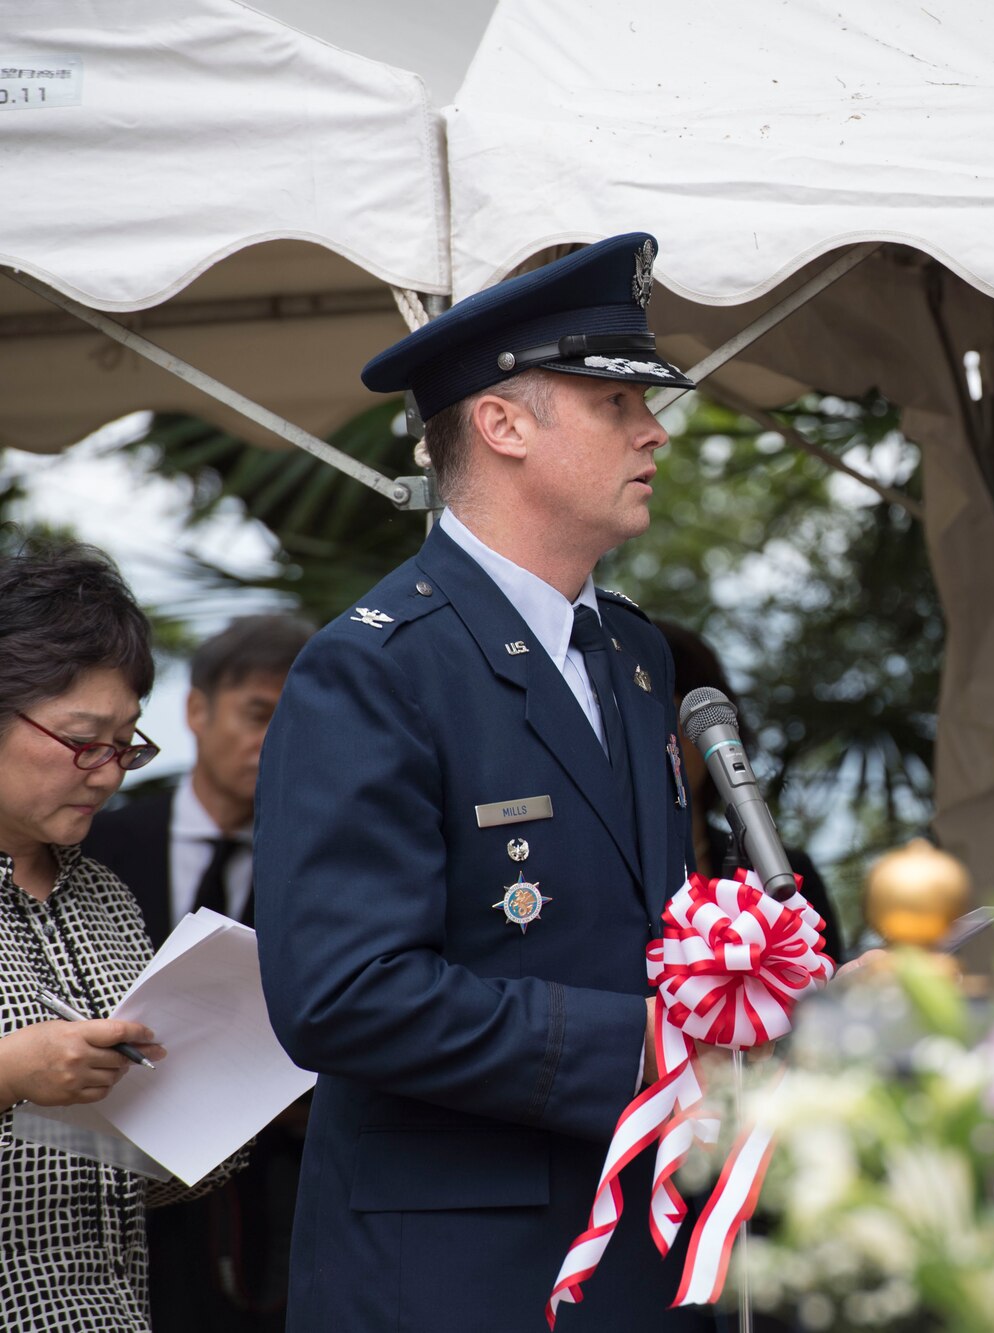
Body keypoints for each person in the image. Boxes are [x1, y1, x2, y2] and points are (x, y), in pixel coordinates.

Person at [254, 233, 711, 1331]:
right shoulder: (373, 664)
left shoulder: (637, 656)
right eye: (612, 401)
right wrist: (648, 1049)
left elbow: (637, 927)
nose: (653, 429)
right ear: (502, 423)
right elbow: (343, 993)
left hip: (640, 1254)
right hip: (458, 1275)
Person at [0, 537, 220, 1332]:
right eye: (83, 740)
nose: (110, 770)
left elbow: (124, 1178)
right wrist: (11, 1073)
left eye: (126, 743)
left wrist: (214, 1113)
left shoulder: (105, 896)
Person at [82, 614, 313, 1333]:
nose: (271, 740)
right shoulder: (95, 839)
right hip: (102, 1202)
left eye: (294, 720)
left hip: (272, 1208)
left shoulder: (321, 863)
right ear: (196, 710)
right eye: (257, 713)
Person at [658, 620, 845, 961]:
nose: (671, 746)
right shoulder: (602, 874)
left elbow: (829, 995)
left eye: (682, 724)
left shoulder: (783, 868)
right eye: (657, 726)